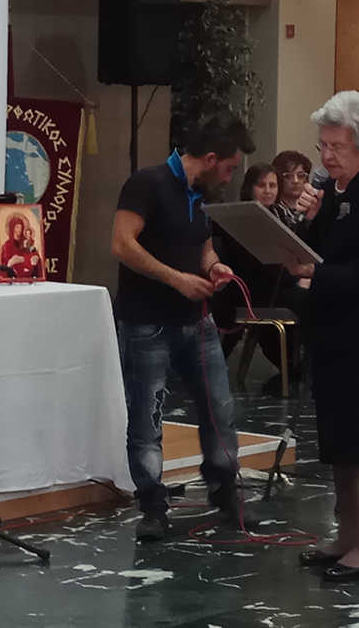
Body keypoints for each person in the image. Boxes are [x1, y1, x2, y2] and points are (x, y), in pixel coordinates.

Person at [111, 110, 255, 541]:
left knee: (220, 409)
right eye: (229, 168)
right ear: (210, 159)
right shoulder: (147, 183)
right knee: (147, 418)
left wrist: (214, 266)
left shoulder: (199, 192)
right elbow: (121, 244)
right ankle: (153, 506)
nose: (230, 177)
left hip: (197, 321)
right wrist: (176, 279)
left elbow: (202, 246)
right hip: (147, 323)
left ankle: (224, 491)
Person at [286, 92, 359, 582]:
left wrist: (318, 276)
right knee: (337, 440)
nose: (326, 156)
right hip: (331, 326)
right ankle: (345, 535)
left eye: (335, 146)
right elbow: (316, 251)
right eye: (322, 145)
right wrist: (308, 221)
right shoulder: (330, 191)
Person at [213, 163, 305, 395]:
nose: (268, 191)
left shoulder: (278, 215)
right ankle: (298, 369)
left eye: (273, 185)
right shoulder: (243, 218)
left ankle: (302, 368)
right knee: (305, 300)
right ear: (250, 188)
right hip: (251, 291)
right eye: (262, 185)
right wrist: (297, 277)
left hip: (275, 285)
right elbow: (258, 266)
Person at [272, 150, 313, 232]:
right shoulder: (272, 210)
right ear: (278, 178)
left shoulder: (313, 208)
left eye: (300, 175)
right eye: (288, 176)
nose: (295, 181)